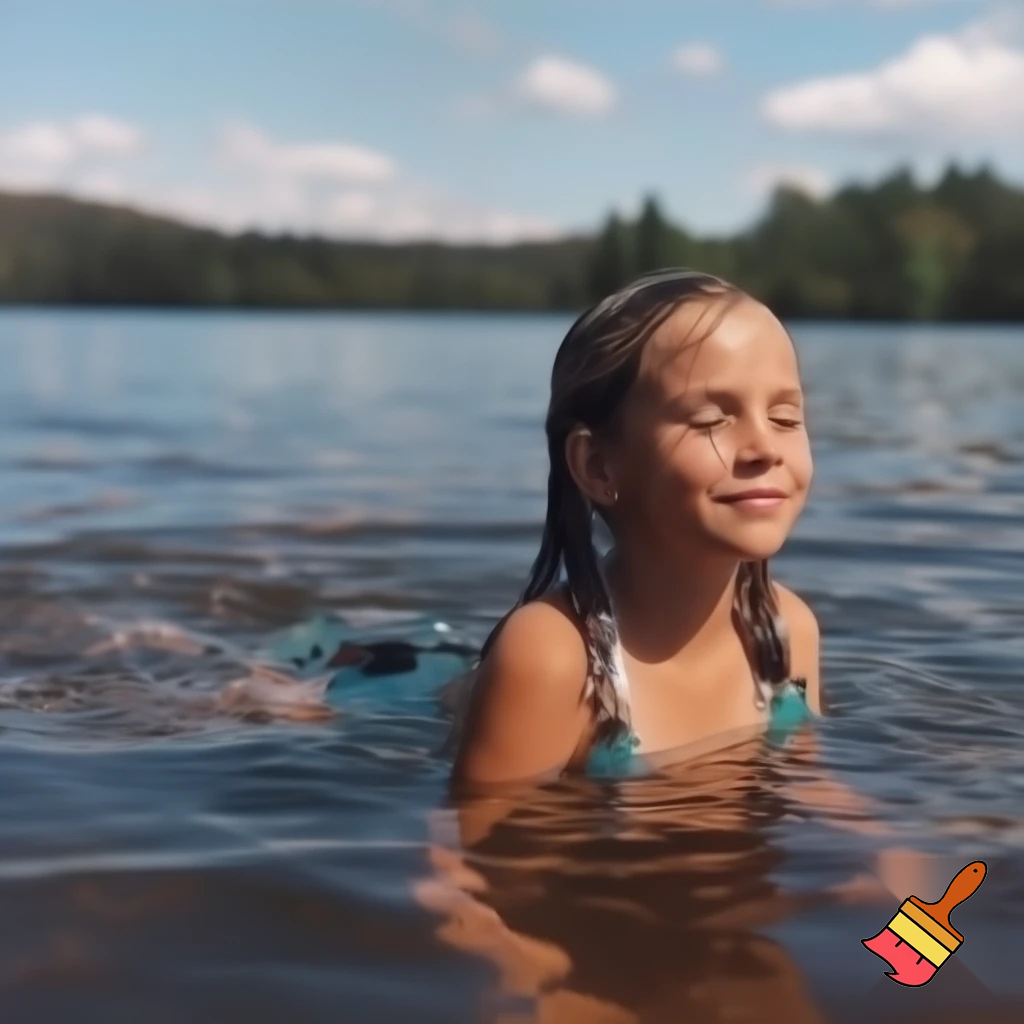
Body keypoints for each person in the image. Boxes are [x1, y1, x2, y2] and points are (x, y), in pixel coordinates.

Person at [452, 269, 820, 787]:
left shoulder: (787, 632)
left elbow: (808, 786)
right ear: (599, 467)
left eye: (785, 418)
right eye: (712, 419)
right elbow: (474, 854)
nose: (766, 448)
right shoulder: (552, 658)